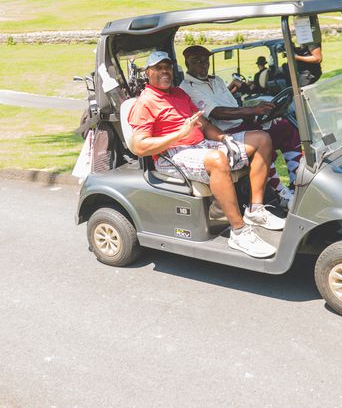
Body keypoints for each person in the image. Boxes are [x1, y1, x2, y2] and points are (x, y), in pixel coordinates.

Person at [127, 51, 282, 259]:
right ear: (148, 73)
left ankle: (255, 210)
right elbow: (139, 146)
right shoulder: (145, 102)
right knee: (217, 159)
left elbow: (204, 124)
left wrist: (223, 139)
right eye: (159, 68)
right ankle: (239, 232)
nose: (165, 71)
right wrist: (178, 135)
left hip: (199, 145)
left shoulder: (179, 94)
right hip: (172, 155)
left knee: (261, 138)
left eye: (168, 67)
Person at [180, 45, 303, 207]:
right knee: (261, 142)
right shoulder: (187, 87)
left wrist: (257, 113)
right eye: (197, 61)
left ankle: (298, 183)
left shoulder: (215, 80)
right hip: (224, 131)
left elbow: (233, 103)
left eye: (205, 61)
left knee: (285, 127)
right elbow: (216, 112)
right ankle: (282, 194)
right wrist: (253, 110)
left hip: (242, 123)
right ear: (187, 64)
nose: (203, 65)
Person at [291, 15, 323, 86]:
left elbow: (317, 58)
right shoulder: (305, 36)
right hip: (305, 71)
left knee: (299, 94)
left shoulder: (310, 37)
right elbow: (306, 50)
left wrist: (296, 57)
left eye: (298, 18)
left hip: (309, 73)